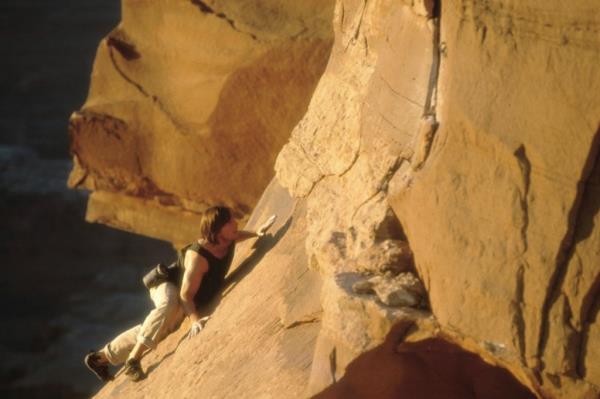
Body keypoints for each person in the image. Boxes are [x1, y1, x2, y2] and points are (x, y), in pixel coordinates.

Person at [84, 206, 276, 382]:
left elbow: (236, 236)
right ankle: (133, 360)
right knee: (169, 307)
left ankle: (100, 358)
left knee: (158, 326)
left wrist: (256, 232)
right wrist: (194, 320)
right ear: (216, 229)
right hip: (168, 285)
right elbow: (185, 295)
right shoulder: (199, 257)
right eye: (229, 222)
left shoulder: (226, 237)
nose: (235, 224)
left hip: (181, 291)